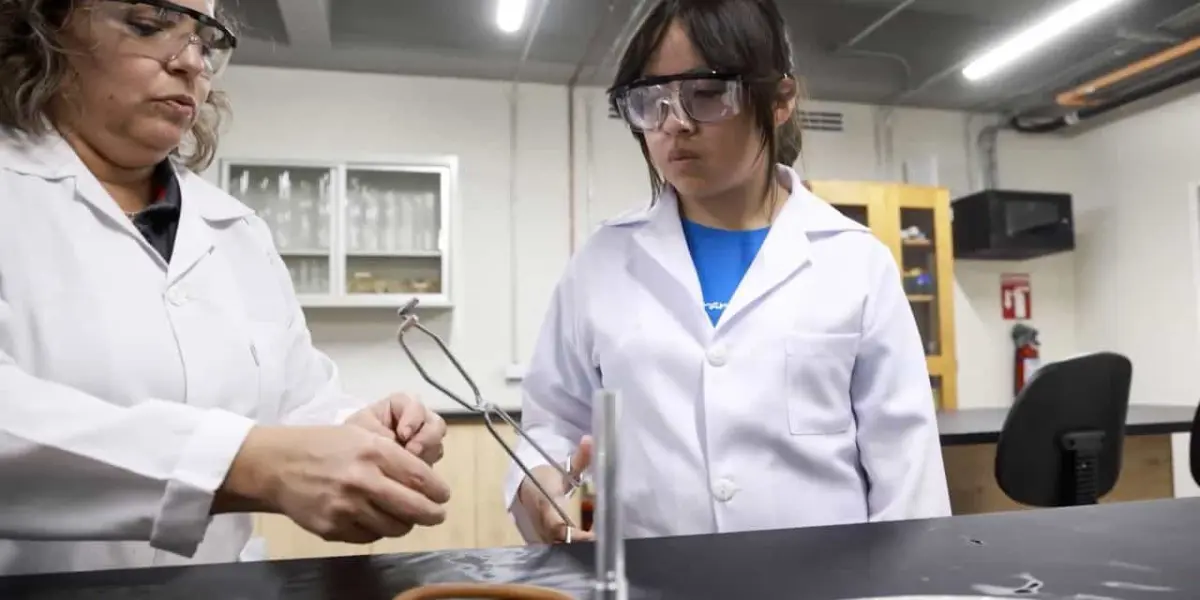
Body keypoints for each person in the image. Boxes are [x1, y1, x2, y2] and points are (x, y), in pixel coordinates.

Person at [0, 0, 452, 576]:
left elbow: (296, 402)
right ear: (44, 30)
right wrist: (242, 464)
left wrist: (363, 433)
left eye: (205, 40)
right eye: (148, 24)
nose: (191, 62)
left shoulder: (237, 230)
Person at [503, 0, 951, 544]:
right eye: (651, 101)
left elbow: (908, 472)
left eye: (707, 94)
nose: (675, 123)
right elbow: (551, 422)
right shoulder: (601, 264)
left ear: (780, 100)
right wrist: (540, 485)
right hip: (648, 580)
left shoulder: (855, 262)